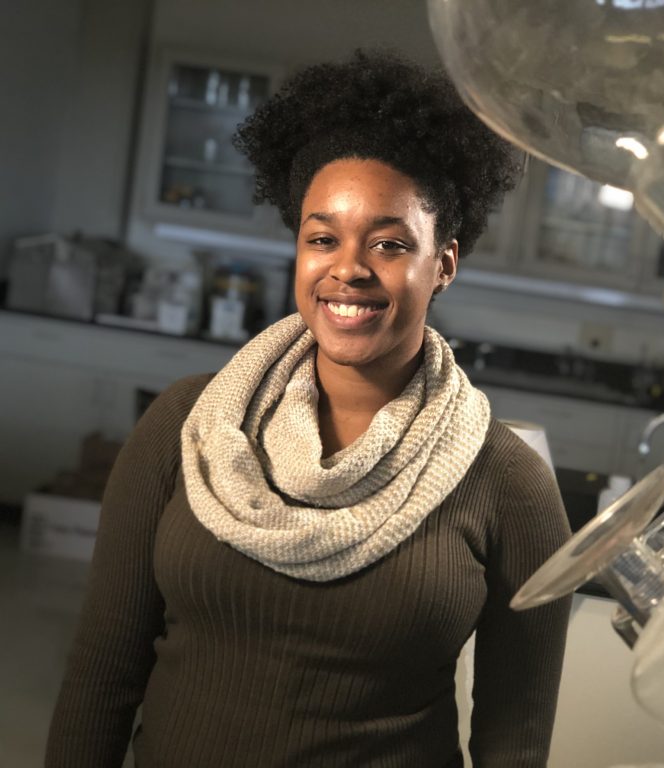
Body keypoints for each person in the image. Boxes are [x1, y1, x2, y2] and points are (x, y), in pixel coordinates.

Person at [45, 50, 572, 768]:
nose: (347, 267)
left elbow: (516, 739)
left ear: (443, 263)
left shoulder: (508, 482)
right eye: (322, 238)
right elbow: (102, 675)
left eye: (389, 243)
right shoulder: (188, 426)